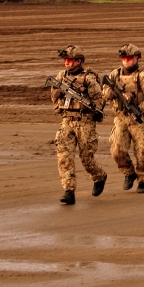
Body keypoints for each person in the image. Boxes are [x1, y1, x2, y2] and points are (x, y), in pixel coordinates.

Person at [49, 45, 107, 205]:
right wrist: (61, 91)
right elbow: (53, 96)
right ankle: (69, 191)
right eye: (65, 60)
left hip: (85, 121)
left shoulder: (88, 78)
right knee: (64, 156)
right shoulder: (61, 76)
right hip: (67, 120)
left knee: (86, 158)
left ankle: (99, 176)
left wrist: (94, 109)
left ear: (79, 61)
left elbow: (99, 100)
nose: (66, 63)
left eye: (69, 60)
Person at [102, 43, 144, 193]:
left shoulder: (143, 75)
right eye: (124, 58)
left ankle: (143, 180)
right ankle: (129, 173)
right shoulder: (115, 75)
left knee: (141, 152)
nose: (126, 61)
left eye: (129, 58)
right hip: (121, 118)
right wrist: (115, 93)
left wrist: (139, 110)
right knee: (116, 150)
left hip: (139, 119)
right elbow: (105, 92)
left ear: (137, 58)